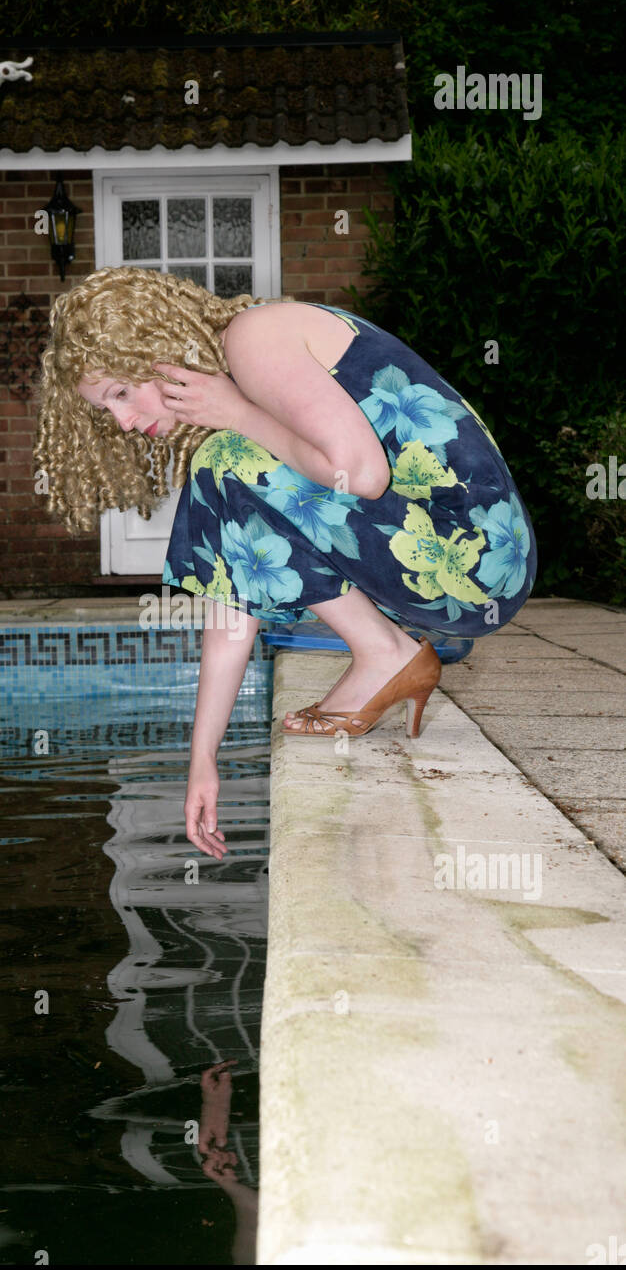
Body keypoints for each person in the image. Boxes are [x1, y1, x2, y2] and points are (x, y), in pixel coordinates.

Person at [35, 265, 536, 860]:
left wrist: (237, 415)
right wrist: (202, 763)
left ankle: (385, 652)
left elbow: (365, 476)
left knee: (225, 460)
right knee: (225, 471)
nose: (121, 420)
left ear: (153, 351)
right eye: (105, 409)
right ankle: (386, 652)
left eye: (119, 392)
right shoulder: (242, 390)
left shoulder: (254, 337)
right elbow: (234, 604)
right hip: (457, 568)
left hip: (476, 561)